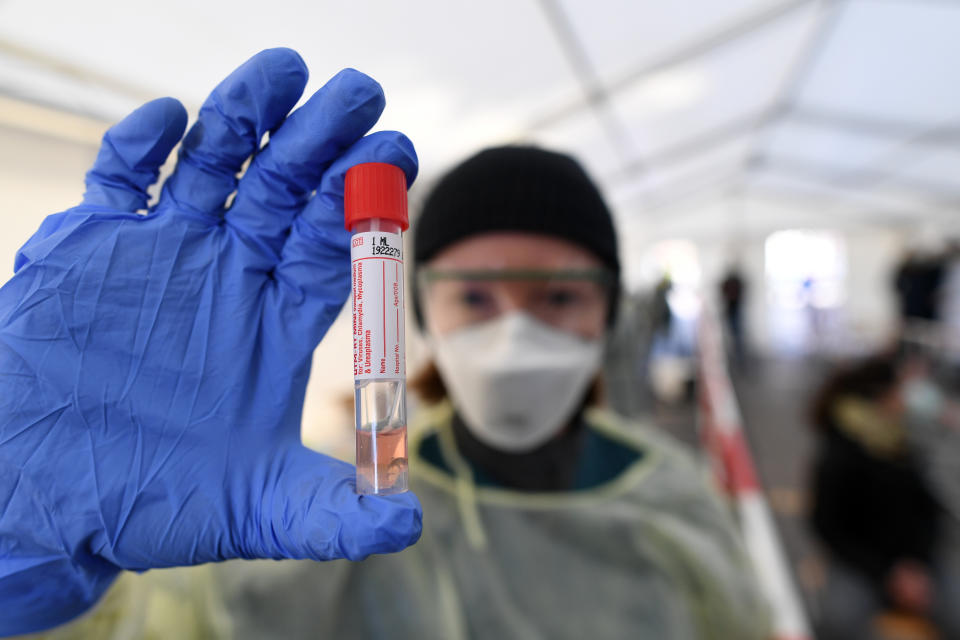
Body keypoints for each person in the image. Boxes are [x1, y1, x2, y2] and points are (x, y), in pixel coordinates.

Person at [0, 50, 769, 638]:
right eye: (474, 295)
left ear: (610, 312)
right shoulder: (332, 489)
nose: (514, 333)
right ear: (421, 310)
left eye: (558, 295)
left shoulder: (676, 503)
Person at [808, 356, 960, 640]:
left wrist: (917, 564)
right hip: (862, 565)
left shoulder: (903, 443)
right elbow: (828, 526)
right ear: (881, 396)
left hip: (918, 563)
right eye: (899, 390)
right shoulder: (841, 451)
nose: (905, 400)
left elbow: (929, 511)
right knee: (839, 622)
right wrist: (889, 574)